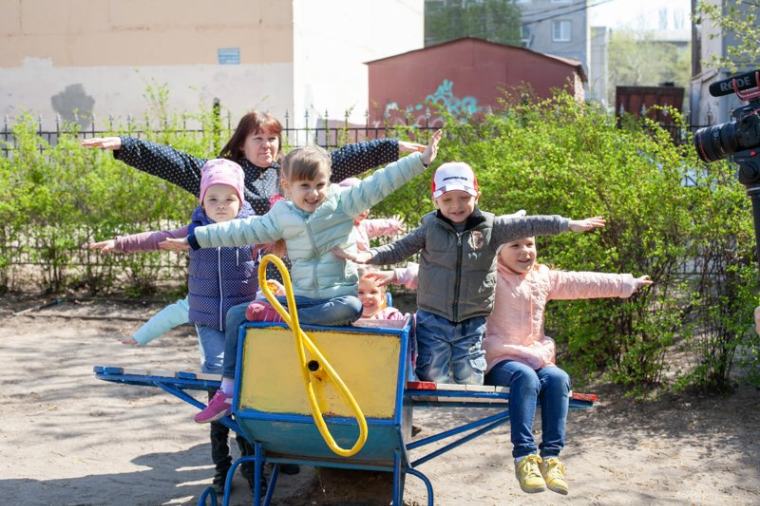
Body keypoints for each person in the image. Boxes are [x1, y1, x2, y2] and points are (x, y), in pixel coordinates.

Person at [159, 130, 444, 423]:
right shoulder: (281, 216)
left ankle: (280, 319)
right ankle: (228, 390)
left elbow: (380, 183)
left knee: (352, 307)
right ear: (287, 186)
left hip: (335, 298)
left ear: (329, 182)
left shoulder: (342, 204)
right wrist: (194, 239)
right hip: (302, 300)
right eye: (304, 186)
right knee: (235, 315)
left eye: (320, 185)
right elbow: (240, 230)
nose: (313, 193)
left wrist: (420, 161)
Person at [338, 161, 606, 386]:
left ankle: (483, 375)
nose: (456, 205)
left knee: (471, 379)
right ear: (437, 201)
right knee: (433, 376)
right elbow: (400, 247)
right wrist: (369, 255)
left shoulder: (491, 228)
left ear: (476, 196)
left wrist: (568, 224)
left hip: (472, 319)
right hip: (434, 317)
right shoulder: (429, 229)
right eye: (448, 199)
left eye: (464, 198)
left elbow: (530, 223)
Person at [93, 158, 259, 496]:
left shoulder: (252, 231)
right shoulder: (192, 234)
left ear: (241, 201)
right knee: (216, 379)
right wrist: (121, 243)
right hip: (211, 322)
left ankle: (254, 462)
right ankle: (221, 465)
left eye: (229, 199)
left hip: (245, 320)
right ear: (201, 201)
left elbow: (289, 241)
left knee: (246, 391)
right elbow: (157, 241)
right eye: (212, 199)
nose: (220, 206)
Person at [483, 236, 652, 495]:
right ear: (499, 250)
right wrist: (400, 274)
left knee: (558, 378)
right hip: (501, 359)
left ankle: (551, 458)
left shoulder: (543, 277)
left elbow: (580, 282)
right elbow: (446, 273)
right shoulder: (487, 275)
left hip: (537, 356)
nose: (525, 251)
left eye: (529, 244)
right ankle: (525, 457)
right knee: (526, 377)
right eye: (515, 245)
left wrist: (625, 283)